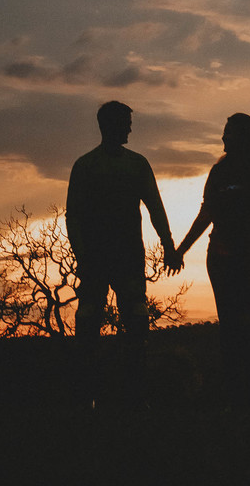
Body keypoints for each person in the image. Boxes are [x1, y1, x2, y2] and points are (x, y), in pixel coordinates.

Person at [173, 113, 250, 409]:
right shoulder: (219, 171)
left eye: (229, 132)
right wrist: (182, 249)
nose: (223, 137)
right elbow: (206, 214)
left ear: (244, 136)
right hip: (221, 256)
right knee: (228, 325)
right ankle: (233, 390)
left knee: (247, 322)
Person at [66, 100, 178, 352]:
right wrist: (82, 256)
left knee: (133, 313)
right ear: (110, 126)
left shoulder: (132, 164)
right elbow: (73, 216)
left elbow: (155, 208)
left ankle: (131, 367)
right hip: (101, 255)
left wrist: (168, 245)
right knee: (91, 314)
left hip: (123, 254)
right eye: (126, 124)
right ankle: (90, 369)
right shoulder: (89, 166)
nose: (129, 129)